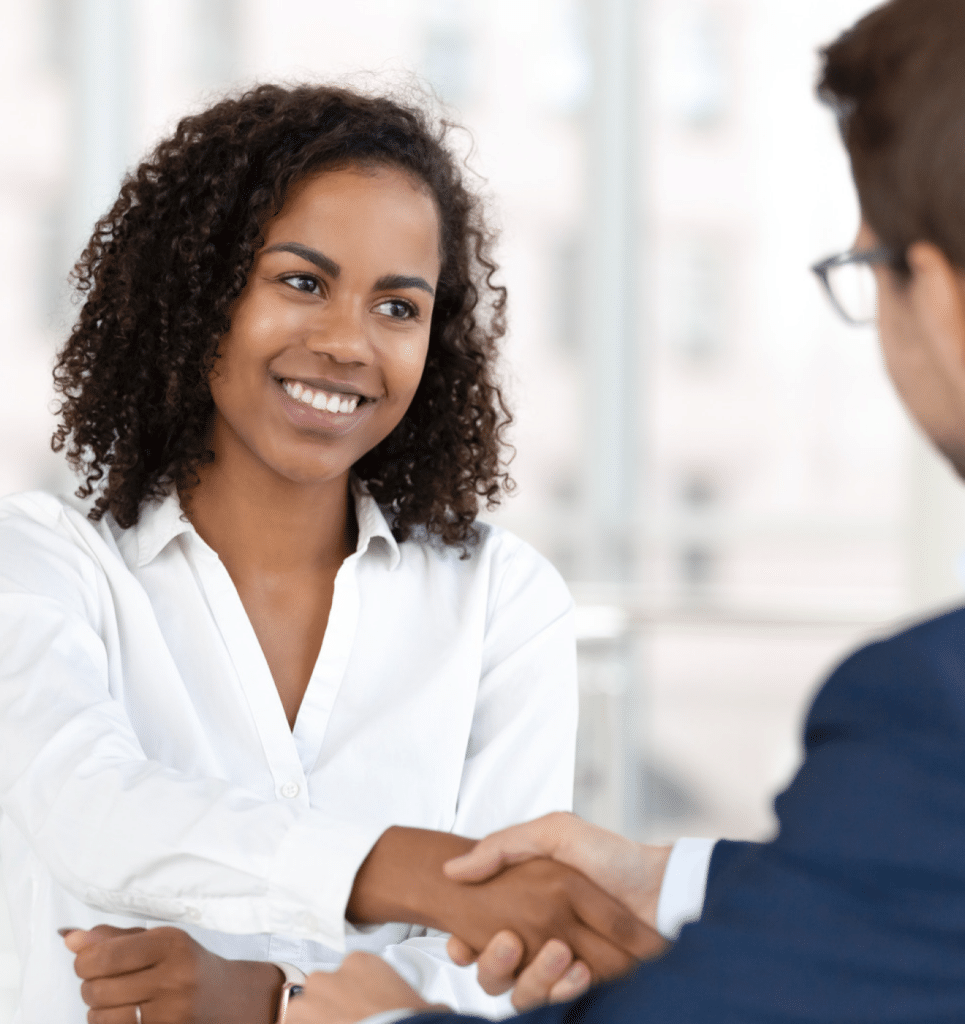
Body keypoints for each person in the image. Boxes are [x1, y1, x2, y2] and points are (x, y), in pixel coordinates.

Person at [272, 1, 965, 1020]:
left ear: (941, 302)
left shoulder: (926, 713)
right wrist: (670, 882)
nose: (344, 342)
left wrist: (373, 1016)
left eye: (865, 268)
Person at [0, 84, 666, 1024]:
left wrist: (279, 999)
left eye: (398, 306)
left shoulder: (500, 601)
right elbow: (93, 813)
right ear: (199, 293)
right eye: (301, 282)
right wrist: (427, 876)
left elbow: (501, 975)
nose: (348, 343)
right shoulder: (41, 565)